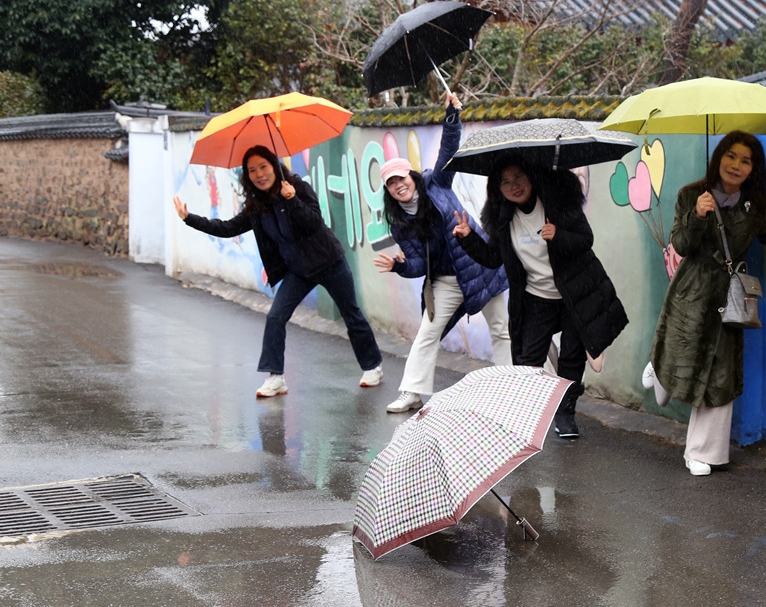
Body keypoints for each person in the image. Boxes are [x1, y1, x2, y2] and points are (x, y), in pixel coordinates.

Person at [645, 131, 766, 476]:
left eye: (746, 161)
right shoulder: (691, 195)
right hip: (692, 290)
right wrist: (698, 215)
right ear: (719, 158)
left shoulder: (755, 203)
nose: (737, 165)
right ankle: (659, 364)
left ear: (753, 169)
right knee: (679, 360)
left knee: (721, 374)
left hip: (729, 297)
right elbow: (681, 246)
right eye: (731, 156)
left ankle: (702, 452)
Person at [173, 145, 384, 398]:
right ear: (247, 176)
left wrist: (292, 199)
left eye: (263, 166)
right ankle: (275, 377)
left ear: (274, 166)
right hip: (298, 271)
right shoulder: (256, 206)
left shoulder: (297, 187)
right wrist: (189, 218)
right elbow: (228, 228)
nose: (259, 174)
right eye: (252, 170)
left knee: (351, 314)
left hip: (328, 261)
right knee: (275, 317)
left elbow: (315, 222)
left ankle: (372, 366)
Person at [452, 156, 628, 438]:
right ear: (498, 189)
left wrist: (558, 235)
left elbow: (586, 240)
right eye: (505, 181)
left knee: (571, 355)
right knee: (527, 360)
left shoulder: (557, 203)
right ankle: (529, 414)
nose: (514, 185)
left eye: (519, 176)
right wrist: (468, 237)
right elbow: (493, 257)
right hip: (535, 297)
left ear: (531, 176)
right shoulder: (503, 218)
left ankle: (566, 414)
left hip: (574, 292)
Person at [372, 93, 510, 414]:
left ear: (412, 177)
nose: (398, 186)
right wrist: (399, 266)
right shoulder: (400, 224)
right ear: (389, 191)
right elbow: (419, 263)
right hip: (446, 281)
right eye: (391, 184)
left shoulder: (436, 184)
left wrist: (452, 116)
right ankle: (411, 392)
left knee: (500, 329)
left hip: (478, 264)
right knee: (427, 333)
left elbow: (449, 150)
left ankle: (509, 388)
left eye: (401, 179)